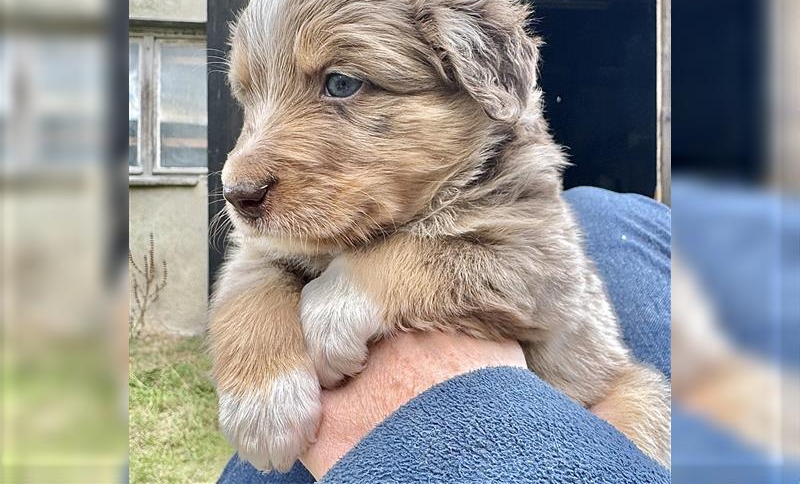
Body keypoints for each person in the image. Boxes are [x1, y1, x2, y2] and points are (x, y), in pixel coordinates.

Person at [217, 186, 671, 483]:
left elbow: (541, 276)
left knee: (644, 402)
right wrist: (257, 360)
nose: (237, 174)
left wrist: (376, 287)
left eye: (342, 85)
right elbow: (259, 266)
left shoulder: (509, 185)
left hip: (588, 404)